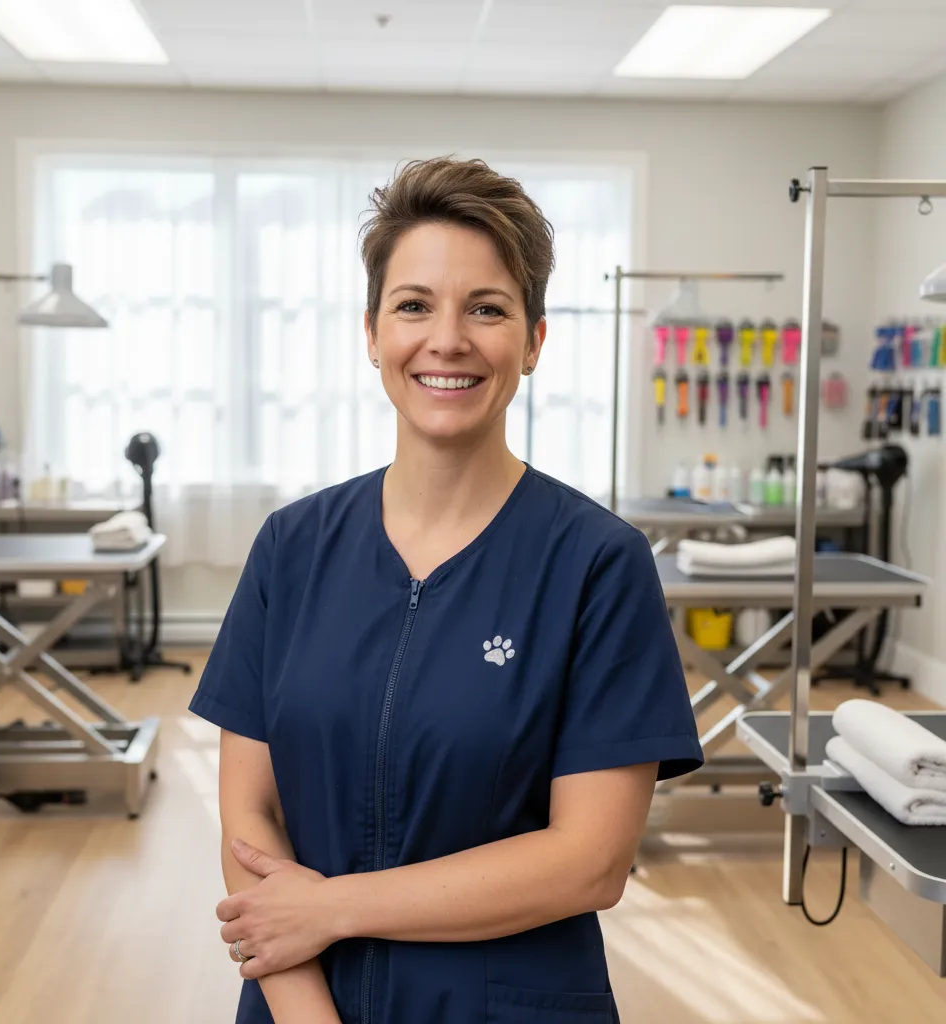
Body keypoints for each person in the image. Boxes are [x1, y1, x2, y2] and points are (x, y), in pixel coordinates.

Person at [189, 157, 703, 1024]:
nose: (448, 340)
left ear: (534, 342)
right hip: (299, 1002)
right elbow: (248, 814)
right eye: (415, 304)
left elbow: (590, 862)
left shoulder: (597, 565)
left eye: (488, 309)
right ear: (372, 331)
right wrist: (307, 1011)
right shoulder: (292, 548)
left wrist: (335, 906)